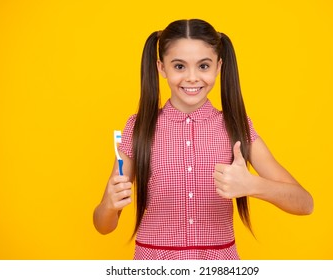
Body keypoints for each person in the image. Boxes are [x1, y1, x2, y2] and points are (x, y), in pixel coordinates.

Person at [93, 19, 314, 260]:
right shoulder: (138, 127)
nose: (191, 77)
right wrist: (110, 205)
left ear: (218, 67)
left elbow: (305, 204)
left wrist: (251, 185)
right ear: (161, 68)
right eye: (179, 66)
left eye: (203, 66)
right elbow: (103, 225)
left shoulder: (237, 126)